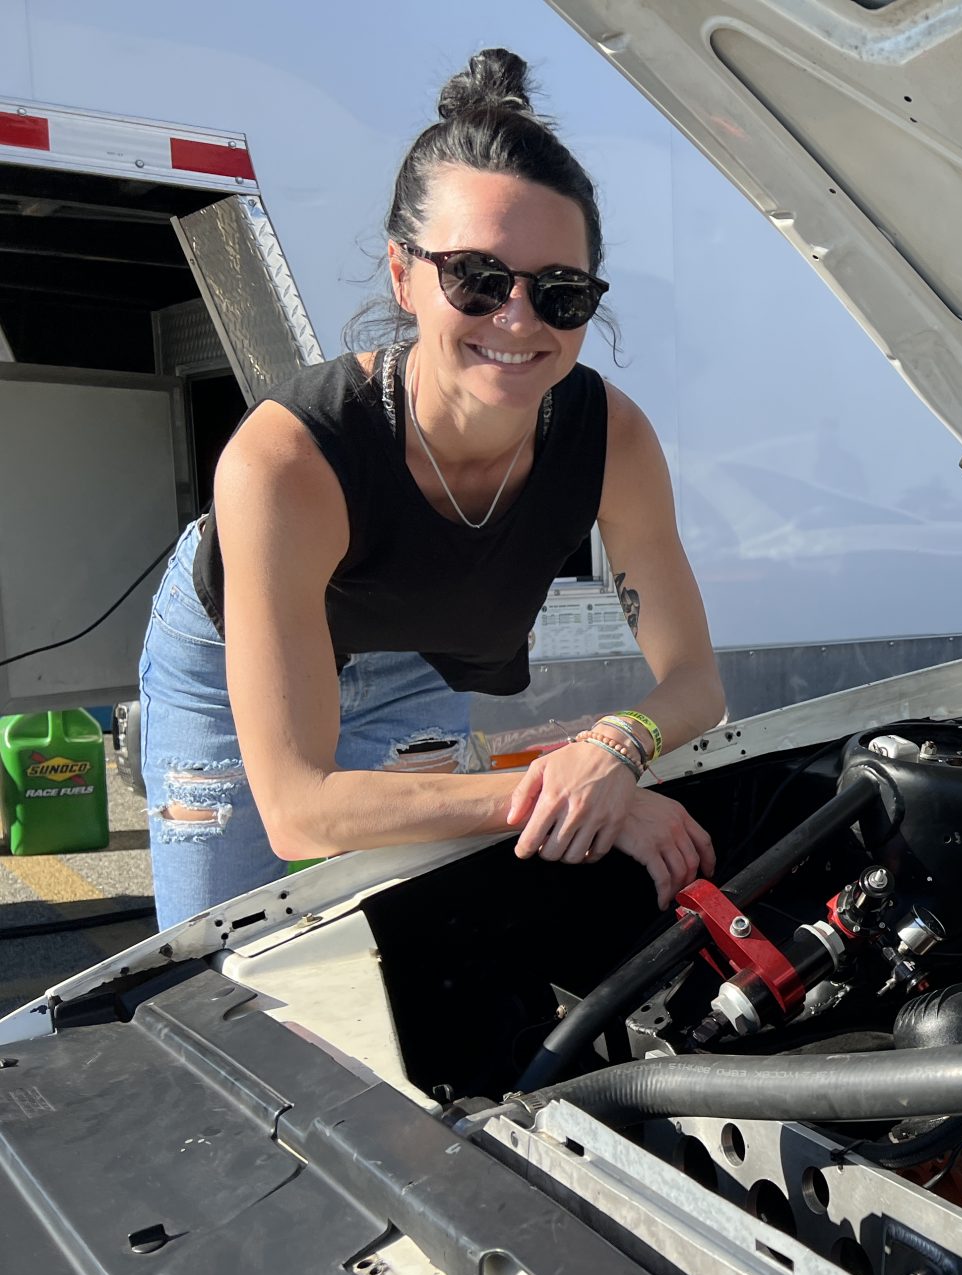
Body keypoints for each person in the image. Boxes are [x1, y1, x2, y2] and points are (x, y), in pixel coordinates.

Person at [138, 48, 724, 930]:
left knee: (417, 937)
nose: (518, 319)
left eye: (559, 292)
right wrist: (569, 796)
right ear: (405, 273)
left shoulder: (611, 438)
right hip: (227, 656)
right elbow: (300, 808)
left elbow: (695, 683)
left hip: (412, 652)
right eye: (477, 280)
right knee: (219, 954)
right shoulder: (287, 460)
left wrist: (610, 751)